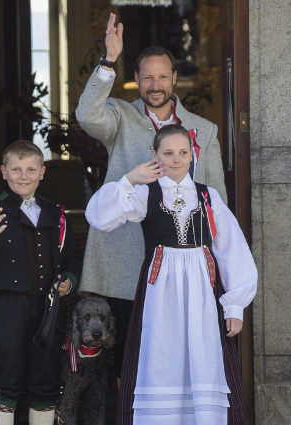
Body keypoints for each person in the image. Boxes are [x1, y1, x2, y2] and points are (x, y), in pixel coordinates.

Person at [75, 11, 228, 396]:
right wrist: (109, 60)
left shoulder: (204, 131)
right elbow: (86, 114)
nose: (155, 85)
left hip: (185, 265)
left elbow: (215, 202)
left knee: (177, 357)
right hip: (126, 259)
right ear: (137, 80)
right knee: (129, 356)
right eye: (147, 77)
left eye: (162, 77)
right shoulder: (121, 117)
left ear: (174, 79)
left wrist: (218, 266)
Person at [85, 124, 256, 424]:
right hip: (160, 294)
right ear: (155, 155)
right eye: (168, 153)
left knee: (203, 358)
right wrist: (128, 180)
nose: (176, 159)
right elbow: (98, 216)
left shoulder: (207, 197)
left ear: (193, 155)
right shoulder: (144, 193)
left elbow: (232, 249)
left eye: (182, 152)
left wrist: (235, 305)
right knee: (160, 355)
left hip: (203, 293)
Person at [0, 140, 82, 425]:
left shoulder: (56, 215)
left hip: (48, 310)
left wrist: (68, 280)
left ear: (42, 172)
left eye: (31, 169)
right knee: (5, 378)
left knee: (46, 379)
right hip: (6, 309)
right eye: (16, 169)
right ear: (3, 172)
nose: (24, 176)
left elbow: (73, 259)